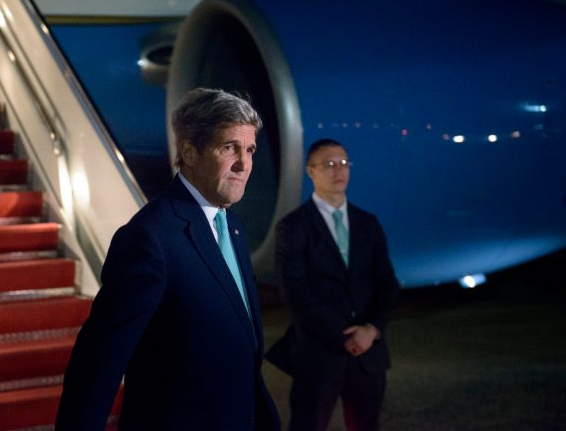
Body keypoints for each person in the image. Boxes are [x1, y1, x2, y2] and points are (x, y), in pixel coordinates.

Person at [56, 88, 280, 430]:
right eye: (229, 147)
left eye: (249, 149)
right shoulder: (149, 238)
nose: (243, 163)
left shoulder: (232, 227)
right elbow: (99, 360)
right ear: (189, 151)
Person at [266, 138, 399, 431]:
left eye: (344, 163)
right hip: (319, 353)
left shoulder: (367, 223)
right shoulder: (293, 226)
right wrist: (344, 337)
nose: (339, 171)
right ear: (310, 171)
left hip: (368, 354)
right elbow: (295, 292)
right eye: (329, 164)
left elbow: (387, 283)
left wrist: (371, 330)